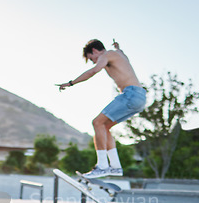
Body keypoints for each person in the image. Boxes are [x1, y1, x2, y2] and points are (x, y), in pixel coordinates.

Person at [57, 39, 146, 178]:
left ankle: (102, 166)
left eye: (91, 58)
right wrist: (118, 47)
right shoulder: (119, 54)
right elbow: (122, 54)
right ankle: (115, 167)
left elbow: (93, 71)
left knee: (97, 122)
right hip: (140, 98)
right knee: (104, 127)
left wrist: (71, 83)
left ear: (94, 51)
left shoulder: (106, 55)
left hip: (130, 94)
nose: (93, 61)